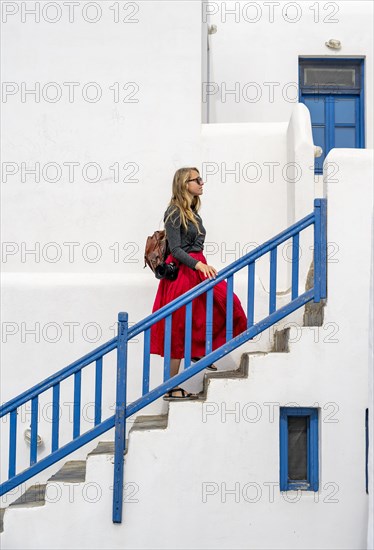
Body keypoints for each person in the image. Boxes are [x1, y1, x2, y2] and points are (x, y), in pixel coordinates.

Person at [150, 167, 248, 400]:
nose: (202, 183)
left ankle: (199, 351)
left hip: (197, 268)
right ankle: (170, 388)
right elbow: (175, 249)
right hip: (184, 272)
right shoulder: (174, 212)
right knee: (178, 328)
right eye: (197, 180)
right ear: (185, 184)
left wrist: (201, 264)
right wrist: (198, 265)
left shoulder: (192, 212)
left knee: (228, 304)